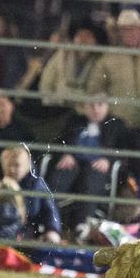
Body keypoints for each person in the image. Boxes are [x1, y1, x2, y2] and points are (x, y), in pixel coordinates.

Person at [48, 98, 129, 229]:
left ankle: (83, 225)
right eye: (91, 105)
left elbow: (125, 150)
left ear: (107, 106)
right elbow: (57, 143)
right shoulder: (74, 121)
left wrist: (108, 159)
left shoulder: (116, 124)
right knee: (57, 180)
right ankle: (48, 222)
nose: (95, 109)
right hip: (73, 163)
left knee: (91, 181)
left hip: (97, 165)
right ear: (85, 107)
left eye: (100, 104)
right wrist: (66, 153)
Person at [38, 20, 106, 110]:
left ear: (95, 40)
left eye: (88, 36)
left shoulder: (100, 60)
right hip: (58, 107)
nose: (83, 40)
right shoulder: (62, 54)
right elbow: (47, 81)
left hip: (85, 111)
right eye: (80, 35)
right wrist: (49, 103)